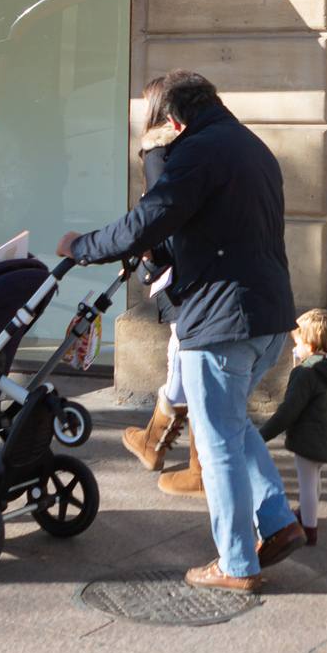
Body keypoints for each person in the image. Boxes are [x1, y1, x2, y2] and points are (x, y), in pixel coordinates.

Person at [57, 70, 301, 592]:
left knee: (215, 446)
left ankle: (237, 563)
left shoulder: (199, 151)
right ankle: (278, 522)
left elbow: (147, 219)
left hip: (220, 319)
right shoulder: (250, 146)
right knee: (231, 426)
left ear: (173, 119)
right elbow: (211, 225)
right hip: (268, 313)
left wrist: (82, 246)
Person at [119, 105, 201, 491]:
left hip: (183, 273)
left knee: (187, 358)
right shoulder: (195, 149)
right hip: (194, 271)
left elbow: (158, 213)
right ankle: (157, 442)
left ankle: (168, 449)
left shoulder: (159, 153)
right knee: (183, 357)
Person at [259, 308, 327, 547]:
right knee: (315, 479)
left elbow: (287, 412)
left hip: (308, 438)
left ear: (311, 346)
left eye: (298, 343)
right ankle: (305, 514)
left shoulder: (306, 373)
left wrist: (260, 436)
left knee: (307, 485)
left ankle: (309, 528)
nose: (295, 348)